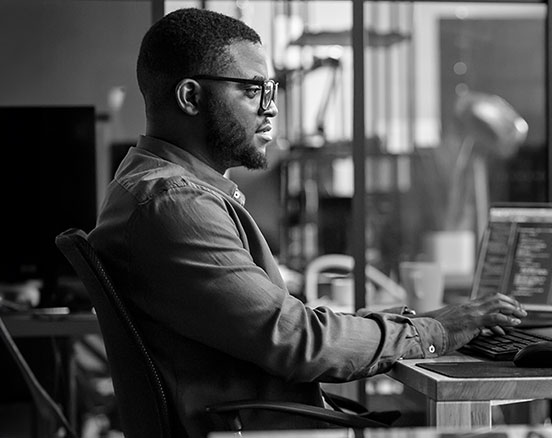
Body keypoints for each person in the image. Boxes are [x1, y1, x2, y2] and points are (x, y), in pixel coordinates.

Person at [89, 7, 527, 436]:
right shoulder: (174, 204)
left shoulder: (154, 189)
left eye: (272, 88)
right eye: (253, 89)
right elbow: (299, 341)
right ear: (190, 97)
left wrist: (413, 324)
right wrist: (436, 330)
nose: (271, 108)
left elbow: (283, 328)